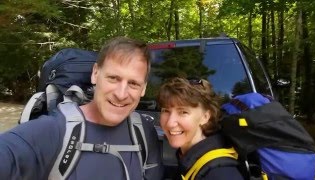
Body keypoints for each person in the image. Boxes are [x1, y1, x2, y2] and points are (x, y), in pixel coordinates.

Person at [0, 37, 164, 180]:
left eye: (133, 83)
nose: (121, 94)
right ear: (95, 73)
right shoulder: (55, 130)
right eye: (113, 78)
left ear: (143, 88)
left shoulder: (144, 133)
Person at [157, 77, 243, 180]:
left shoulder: (219, 173)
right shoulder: (190, 158)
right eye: (166, 111)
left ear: (205, 117)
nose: (170, 123)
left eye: (183, 112)